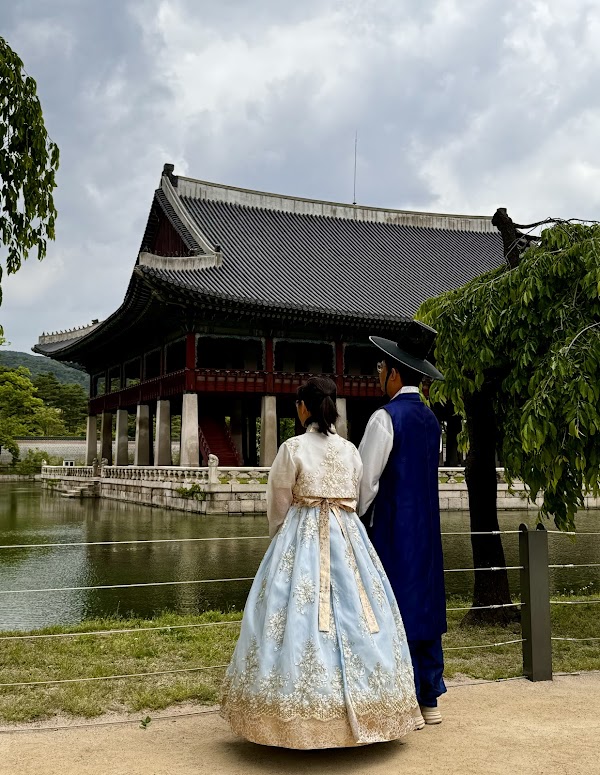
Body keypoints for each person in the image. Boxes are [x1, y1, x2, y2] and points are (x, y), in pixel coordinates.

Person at [221, 376, 418, 749]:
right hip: (348, 536)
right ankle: (373, 706)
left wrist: (281, 538)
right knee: (362, 611)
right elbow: (360, 498)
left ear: (303, 408)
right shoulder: (350, 451)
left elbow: (278, 503)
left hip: (302, 535)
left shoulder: (292, 448)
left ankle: (294, 717)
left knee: (292, 616)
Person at [358, 322, 447, 729]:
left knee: (392, 606)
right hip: (427, 528)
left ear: (395, 373)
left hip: (393, 528)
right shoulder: (431, 422)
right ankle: (430, 698)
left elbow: (365, 481)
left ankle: (403, 699)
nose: (378, 375)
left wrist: (356, 519)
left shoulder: (384, 418)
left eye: (381, 368)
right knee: (425, 603)